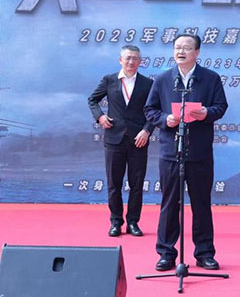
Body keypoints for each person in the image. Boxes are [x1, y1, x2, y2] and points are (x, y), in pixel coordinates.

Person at [144, 34, 228, 271]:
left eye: (186, 48)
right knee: (169, 204)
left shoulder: (210, 78)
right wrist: (165, 119)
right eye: (177, 47)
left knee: (201, 204)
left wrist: (207, 113)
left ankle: (204, 253)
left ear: (197, 53)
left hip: (200, 152)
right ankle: (166, 253)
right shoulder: (163, 79)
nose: (180, 51)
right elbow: (150, 109)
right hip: (171, 152)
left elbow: (221, 106)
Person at [88, 45, 153, 237]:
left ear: (140, 61)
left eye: (135, 58)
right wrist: (100, 116)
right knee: (113, 184)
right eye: (128, 58)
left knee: (137, 184)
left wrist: (147, 131)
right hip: (114, 139)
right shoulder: (109, 80)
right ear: (120, 60)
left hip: (138, 141)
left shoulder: (148, 83)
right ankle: (116, 222)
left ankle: (133, 222)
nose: (131, 61)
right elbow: (92, 100)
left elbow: (154, 110)